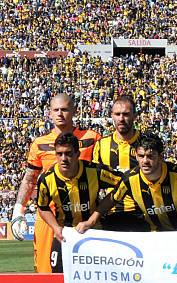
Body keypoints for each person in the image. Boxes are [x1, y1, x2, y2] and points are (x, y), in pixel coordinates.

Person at [10, 93, 101, 273]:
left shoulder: (91, 138)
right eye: (56, 110)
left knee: (87, 273)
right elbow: (29, 179)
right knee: (45, 272)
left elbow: (102, 175)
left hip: (82, 216)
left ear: (74, 111)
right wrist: (18, 211)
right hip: (48, 215)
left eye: (65, 109)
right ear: (50, 113)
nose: (60, 113)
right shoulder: (39, 143)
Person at [83, 133, 177, 232]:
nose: (145, 161)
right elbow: (111, 199)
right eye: (141, 156)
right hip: (154, 235)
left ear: (160, 157)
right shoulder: (130, 179)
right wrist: (90, 221)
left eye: (150, 156)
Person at [36, 133, 121, 273]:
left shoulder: (95, 171)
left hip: (94, 233)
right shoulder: (46, 179)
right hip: (64, 235)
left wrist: (93, 218)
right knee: (58, 277)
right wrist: (56, 228)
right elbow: (42, 207)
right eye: (59, 154)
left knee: (96, 277)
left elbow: (124, 184)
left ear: (77, 154)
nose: (63, 159)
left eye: (68, 153)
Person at [92, 96, 148, 231]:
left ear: (135, 116)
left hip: (143, 215)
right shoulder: (101, 145)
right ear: (112, 116)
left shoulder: (146, 142)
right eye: (117, 114)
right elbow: (94, 181)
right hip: (111, 214)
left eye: (126, 114)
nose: (121, 119)